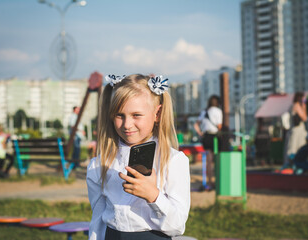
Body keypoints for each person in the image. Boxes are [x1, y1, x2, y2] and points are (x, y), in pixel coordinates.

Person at [86, 74, 190, 240]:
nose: (127, 124)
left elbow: (177, 226)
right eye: (120, 115)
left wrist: (153, 196)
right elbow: (98, 220)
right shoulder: (99, 165)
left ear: (157, 114)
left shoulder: (173, 161)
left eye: (136, 115)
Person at [193, 95, 222, 189]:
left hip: (206, 136)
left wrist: (200, 133)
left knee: (208, 161)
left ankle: (209, 182)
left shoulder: (204, 112)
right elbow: (219, 126)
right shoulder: (218, 111)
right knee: (218, 159)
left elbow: (196, 125)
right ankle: (218, 181)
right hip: (214, 136)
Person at [286, 92, 308, 159]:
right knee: (297, 148)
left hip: (295, 129)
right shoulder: (297, 105)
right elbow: (304, 118)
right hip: (298, 130)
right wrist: (304, 108)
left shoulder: (293, 105)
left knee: (294, 147)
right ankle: (295, 163)